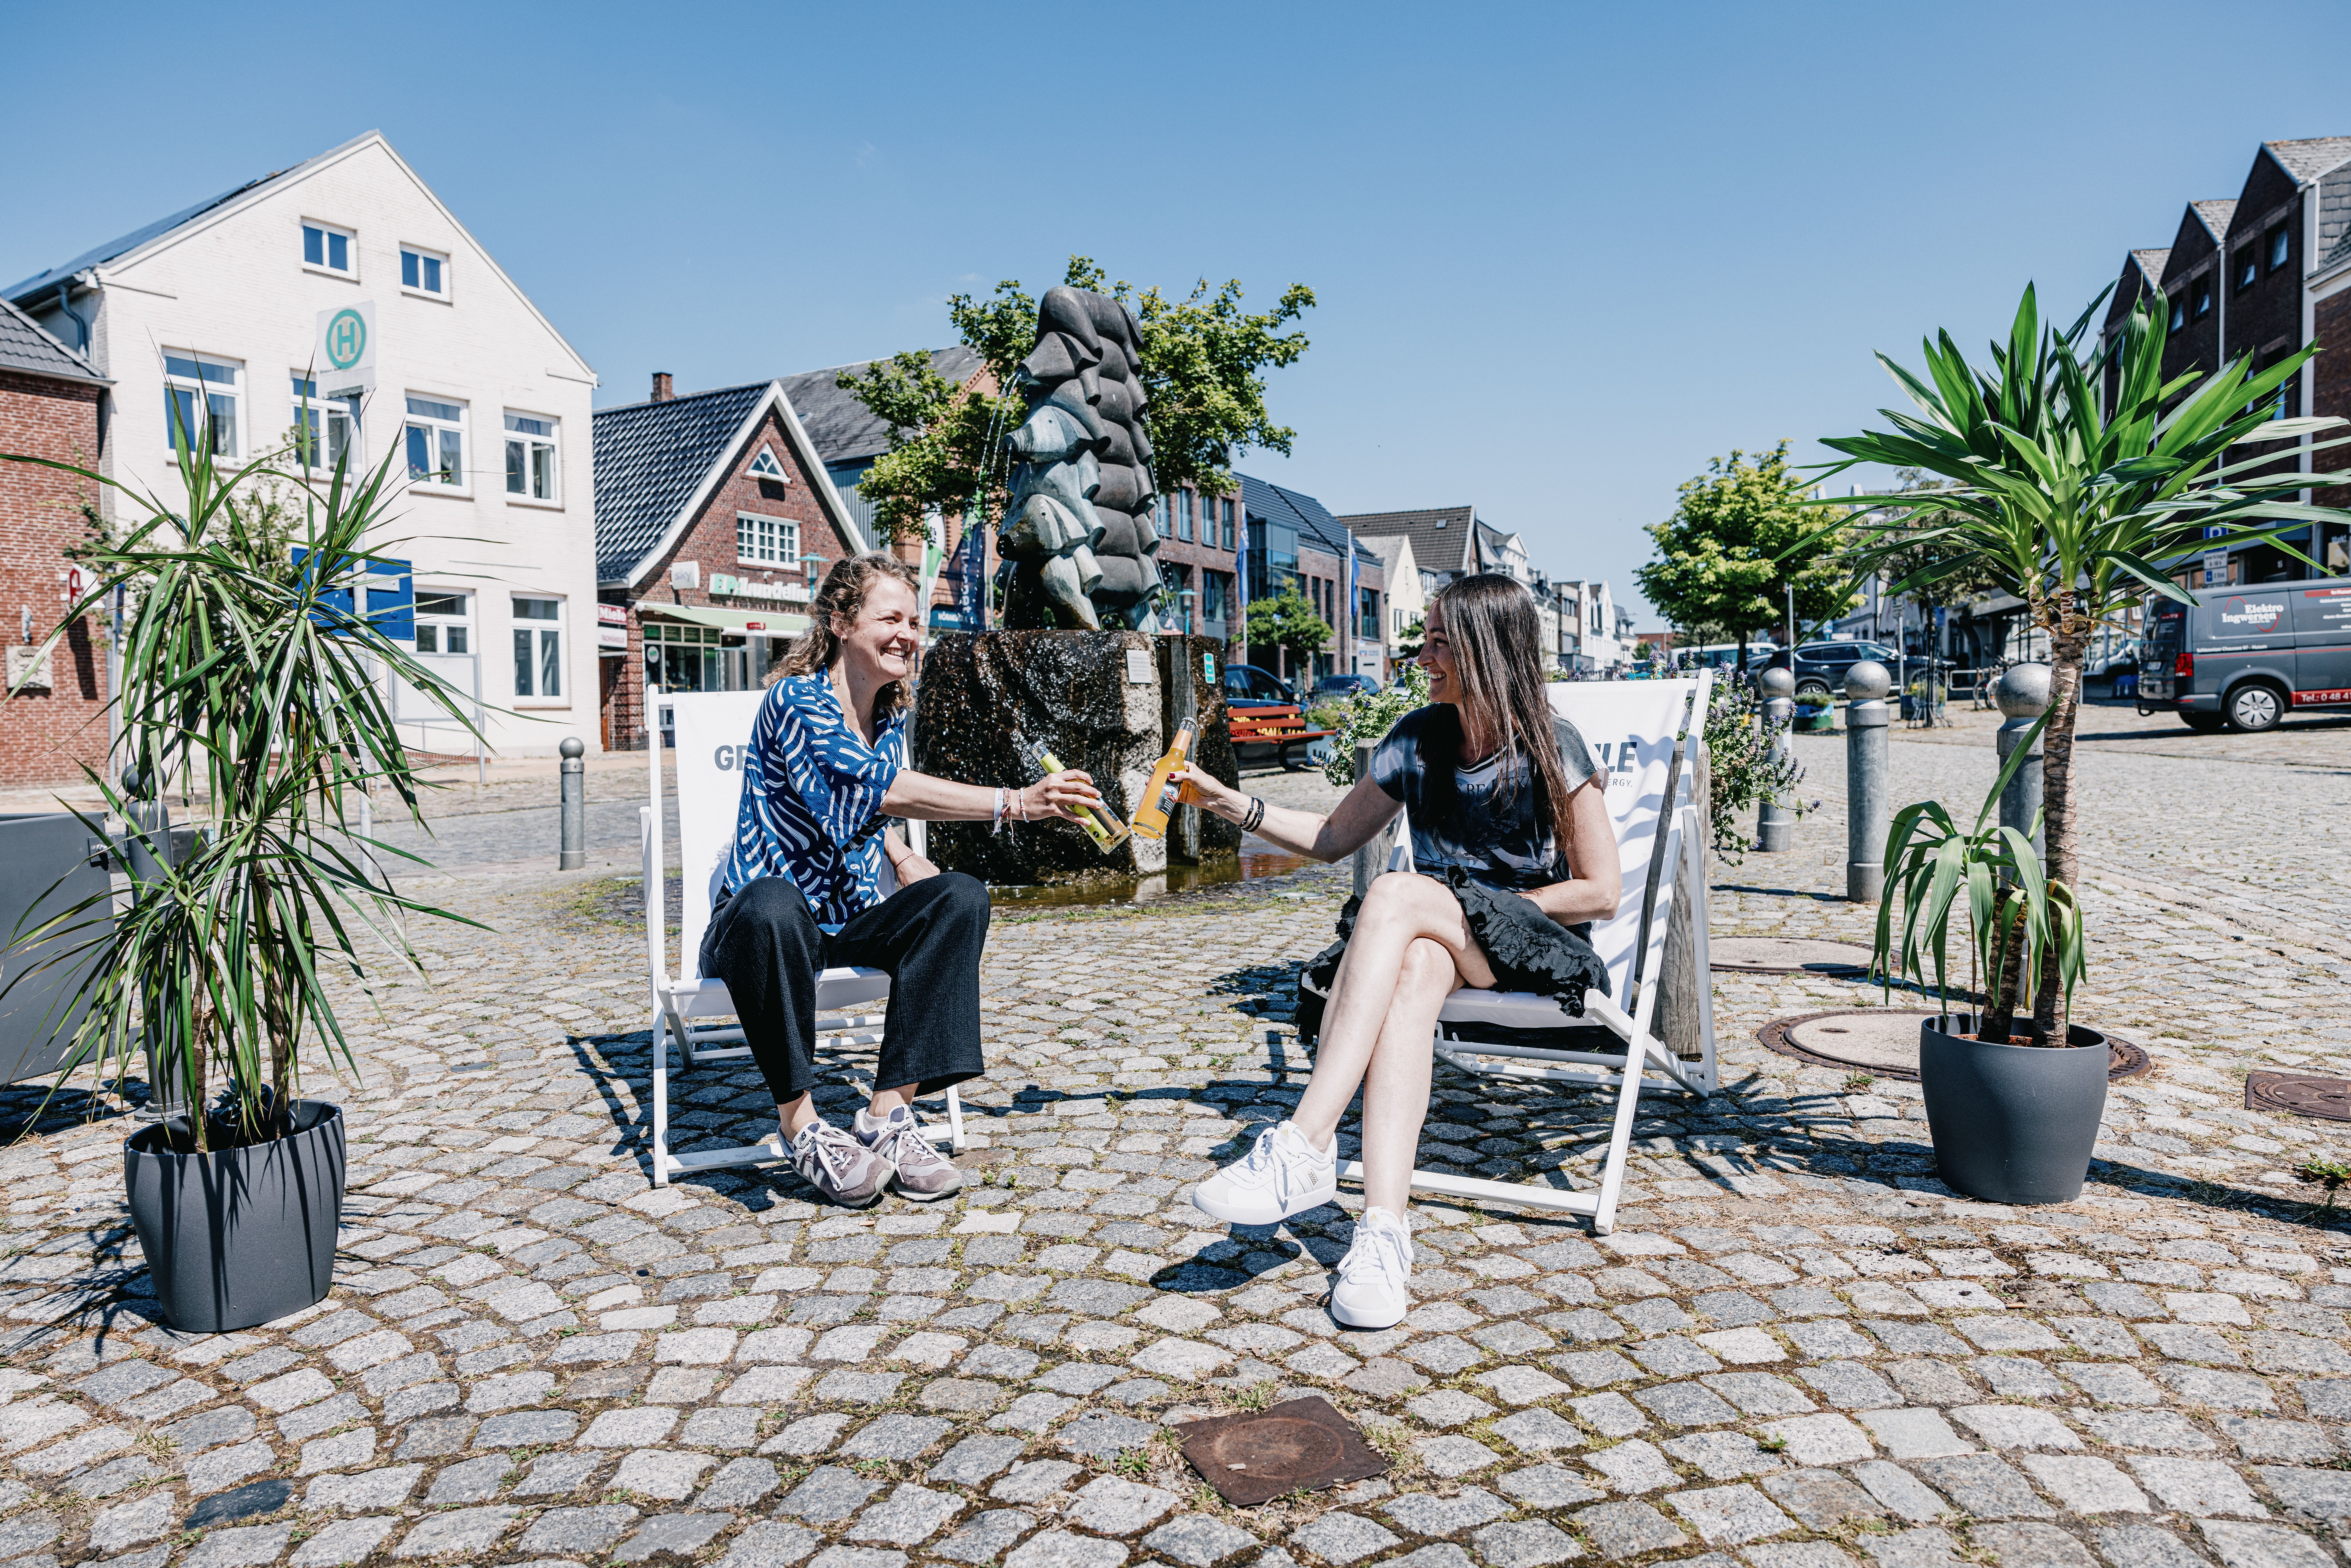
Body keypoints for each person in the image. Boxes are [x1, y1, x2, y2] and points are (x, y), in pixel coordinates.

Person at [1171, 574, 1622, 1328]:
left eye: (1440, 642)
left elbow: (1601, 891)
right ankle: (1384, 1233)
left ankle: (1305, 1143)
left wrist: (1485, 908)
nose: (1424, 656)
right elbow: (1330, 838)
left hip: (1536, 947)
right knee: (1412, 960)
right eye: (1428, 640)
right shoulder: (1417, 738)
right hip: (1442, 940)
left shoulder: (1551, 743)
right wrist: (1224, 801)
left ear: (1487, 648)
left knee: (1394, 893)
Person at [702, 554, 1105, 1208]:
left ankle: (886, 1117)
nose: (908, 634)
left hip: (846, 917)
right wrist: (1017, 801)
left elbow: (855, 800)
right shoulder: (796, 698)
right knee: (774, 901)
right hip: (762, 932)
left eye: (914, 621)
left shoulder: (889, 718)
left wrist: (898, 852)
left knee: (958, 895)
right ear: (840, 622)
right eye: (890, 617)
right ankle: (801, 1125)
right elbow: (875, 785)